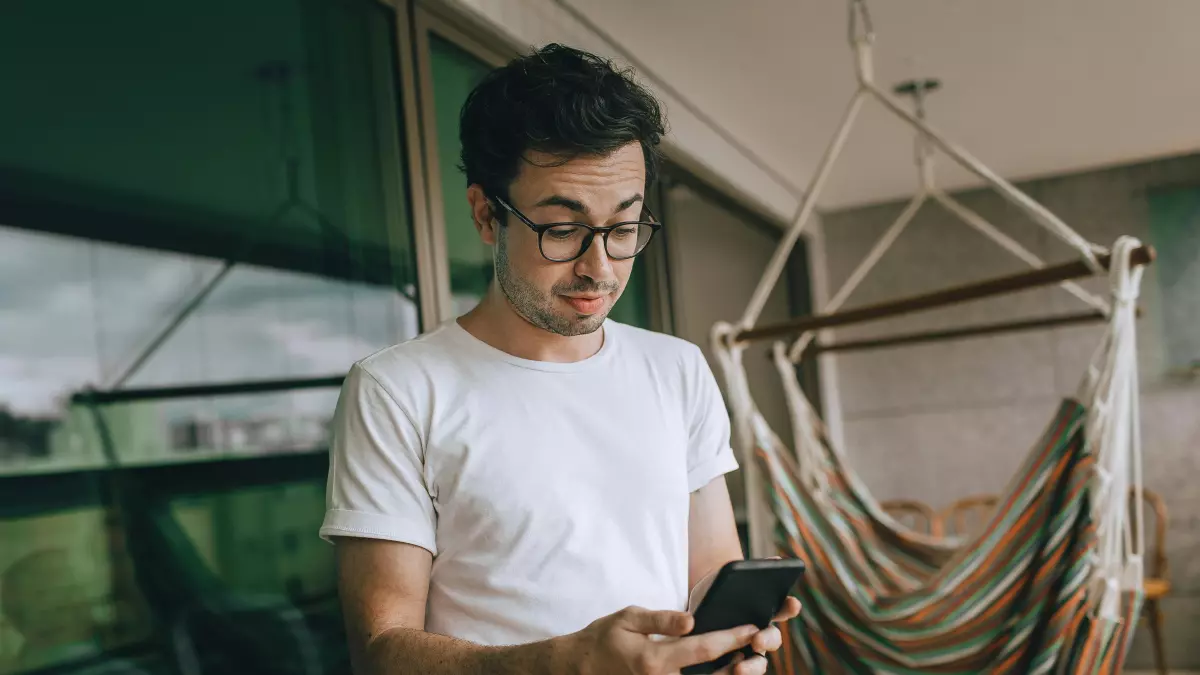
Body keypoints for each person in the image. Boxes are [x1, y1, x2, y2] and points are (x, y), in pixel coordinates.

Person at [319, 43, 800, 675]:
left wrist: (728, 644)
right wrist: (564, 662)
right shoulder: (397, 390)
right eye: (562, 229)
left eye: (623, 228)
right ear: (487, 214)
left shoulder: (677, 369)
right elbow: (382, 653)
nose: (599, 268)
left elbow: (707, 575)